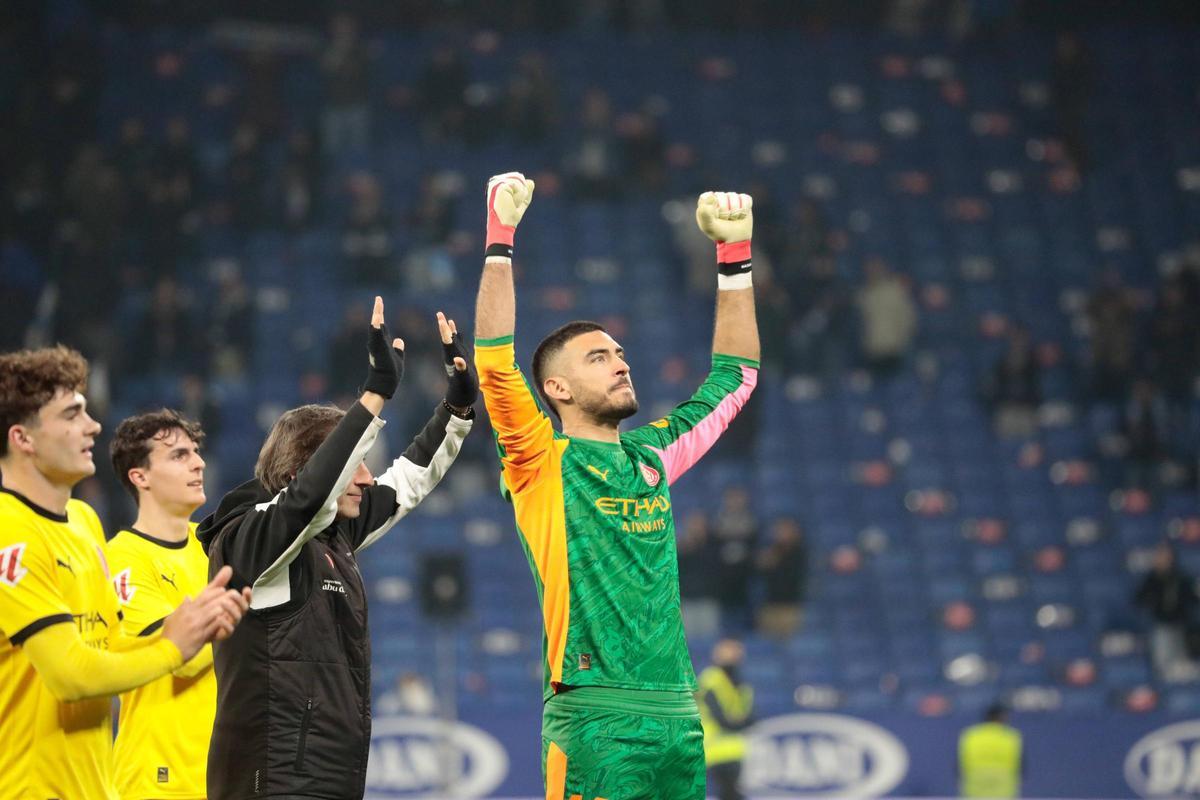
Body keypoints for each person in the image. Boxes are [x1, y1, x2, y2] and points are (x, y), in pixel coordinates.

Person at [473, 172, 759, 799]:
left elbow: (735, 379)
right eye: (598, 358)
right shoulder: (538, 458)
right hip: (593, 716)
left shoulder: (653, 455)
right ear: (557, 389)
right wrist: (500, 238)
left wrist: (734, 258)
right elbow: (494, 362)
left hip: (679, 716)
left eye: (621, 352)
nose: (622, 362)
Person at [197, 297, 477, 800]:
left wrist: (456, 410)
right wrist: (372, 397)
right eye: (357, 464)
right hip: (273, 782)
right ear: (304, 469)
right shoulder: (248, 540)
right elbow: (304, 502)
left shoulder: (332, 536)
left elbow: (406, 482)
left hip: (331, 778)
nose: (367, 478)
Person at [0, 346, 250, 799]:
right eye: (72, 414)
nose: (93, 425)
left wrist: (199, 628)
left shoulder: (83, 522)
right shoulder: (8, 533)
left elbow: (110, 647)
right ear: (23, 439)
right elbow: (70, 675)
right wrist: (174, 647)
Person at [107, 409, 217, 800]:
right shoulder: (122, 559)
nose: (198, 462)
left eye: (196, 452)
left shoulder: (212, 546)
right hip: (156, 781)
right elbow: (177, 655)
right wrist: (243, 614)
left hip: (220, 776)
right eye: (179, 455)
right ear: (141, 477)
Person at [696, 639, 754, 800]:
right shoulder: (710, 679)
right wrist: (738, 723)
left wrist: (737, 724)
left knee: (730, 792)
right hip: (714, 748)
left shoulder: (741, 683)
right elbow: (720, 717)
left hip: (735, 749)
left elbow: (751, 716)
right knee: (727, 792)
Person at [1136, 541, 1199, 682]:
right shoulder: (1152, 579)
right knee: (1163, 667)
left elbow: (1193, 599)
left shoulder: (1181, 578)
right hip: (1161, 626)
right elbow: (1139, 600)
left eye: (1165, 556)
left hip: (1181, 626)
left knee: (1182, 668)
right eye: (1160, 556)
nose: (1162, 559)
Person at [755, 516, 809, 638]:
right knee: (766, 646)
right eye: (779, 530)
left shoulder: (799, 552)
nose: (782, 534)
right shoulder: (771, 549)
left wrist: (776, 562)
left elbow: (796, 575)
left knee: (790, 644)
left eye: (785, 530)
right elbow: (759, 571)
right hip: (769, 605)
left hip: (790, 607)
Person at [958, 703, 1022, 798]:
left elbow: (959, 766)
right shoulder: (1011, 736)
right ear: (1002, 717)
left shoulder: (970, 735)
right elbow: (1021, 766)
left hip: (975, 787)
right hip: (1003, 789)